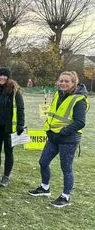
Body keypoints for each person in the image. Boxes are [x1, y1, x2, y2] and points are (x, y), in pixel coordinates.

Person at [29, 71, 89, 207]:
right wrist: (49, 130)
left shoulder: (79, 99)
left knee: (66, 168)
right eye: (61, 80)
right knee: (43, 162)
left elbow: (80, 122)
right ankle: (45, 188)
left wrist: (62, 132)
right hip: (54, 136)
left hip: (68, 138)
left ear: (74, 83)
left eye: (67, 81)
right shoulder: (58, 93)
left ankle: (65, 197)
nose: (63, 83)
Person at [0, 68, 25, 187]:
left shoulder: (15, 91)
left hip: (9, 128)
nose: (2, 78)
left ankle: (6, 177)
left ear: (9, 78)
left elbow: (20, 109)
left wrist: (20, 125)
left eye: (4, 76)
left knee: (8, 152)